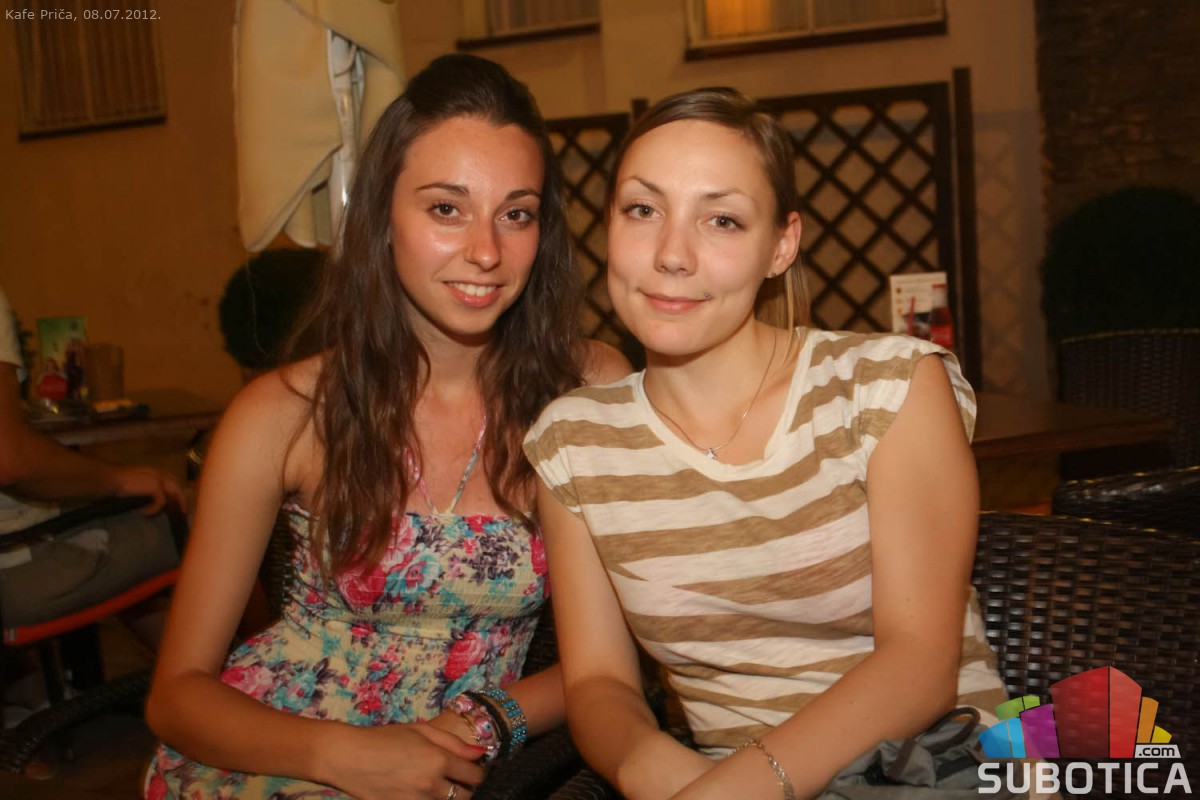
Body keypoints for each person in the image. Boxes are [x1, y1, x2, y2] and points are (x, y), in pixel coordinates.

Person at [143, 54, 628, 800]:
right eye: (446, 209)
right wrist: (348, 757)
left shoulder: (587, 391)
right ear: (381, 218)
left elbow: (630, 648)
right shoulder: (285, 414)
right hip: (274, 752)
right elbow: (176, 695)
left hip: (462, 760)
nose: (487, 251)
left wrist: (486, 721)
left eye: (517, 214)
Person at [523, 88, 1010, 800]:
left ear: (781, 245)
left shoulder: (887, 388)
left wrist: (732, 791)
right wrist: (650, 765)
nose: (672, 254)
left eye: (721, 219)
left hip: (938, 767)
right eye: (643, 210)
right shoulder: (572, 443)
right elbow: (598, 680)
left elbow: (919, 667)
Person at [0, 285, 184, 722]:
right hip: (15, 574)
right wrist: (116, 480)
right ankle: (248, 696)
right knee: (194, 516)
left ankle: (189, 687)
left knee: (112, 520)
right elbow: (9, 458)